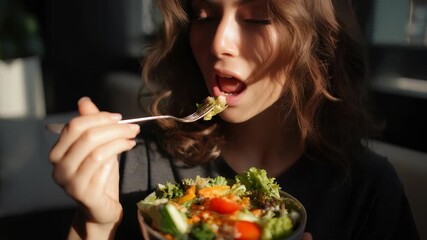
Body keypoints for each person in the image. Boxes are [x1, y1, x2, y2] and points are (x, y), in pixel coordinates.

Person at [49, 0, 420, 239]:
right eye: (204, 16)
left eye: (258, 18)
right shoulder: (139, 164)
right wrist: (96, 223)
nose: (217, 43)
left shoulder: (368, 190)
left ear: (319, 41)